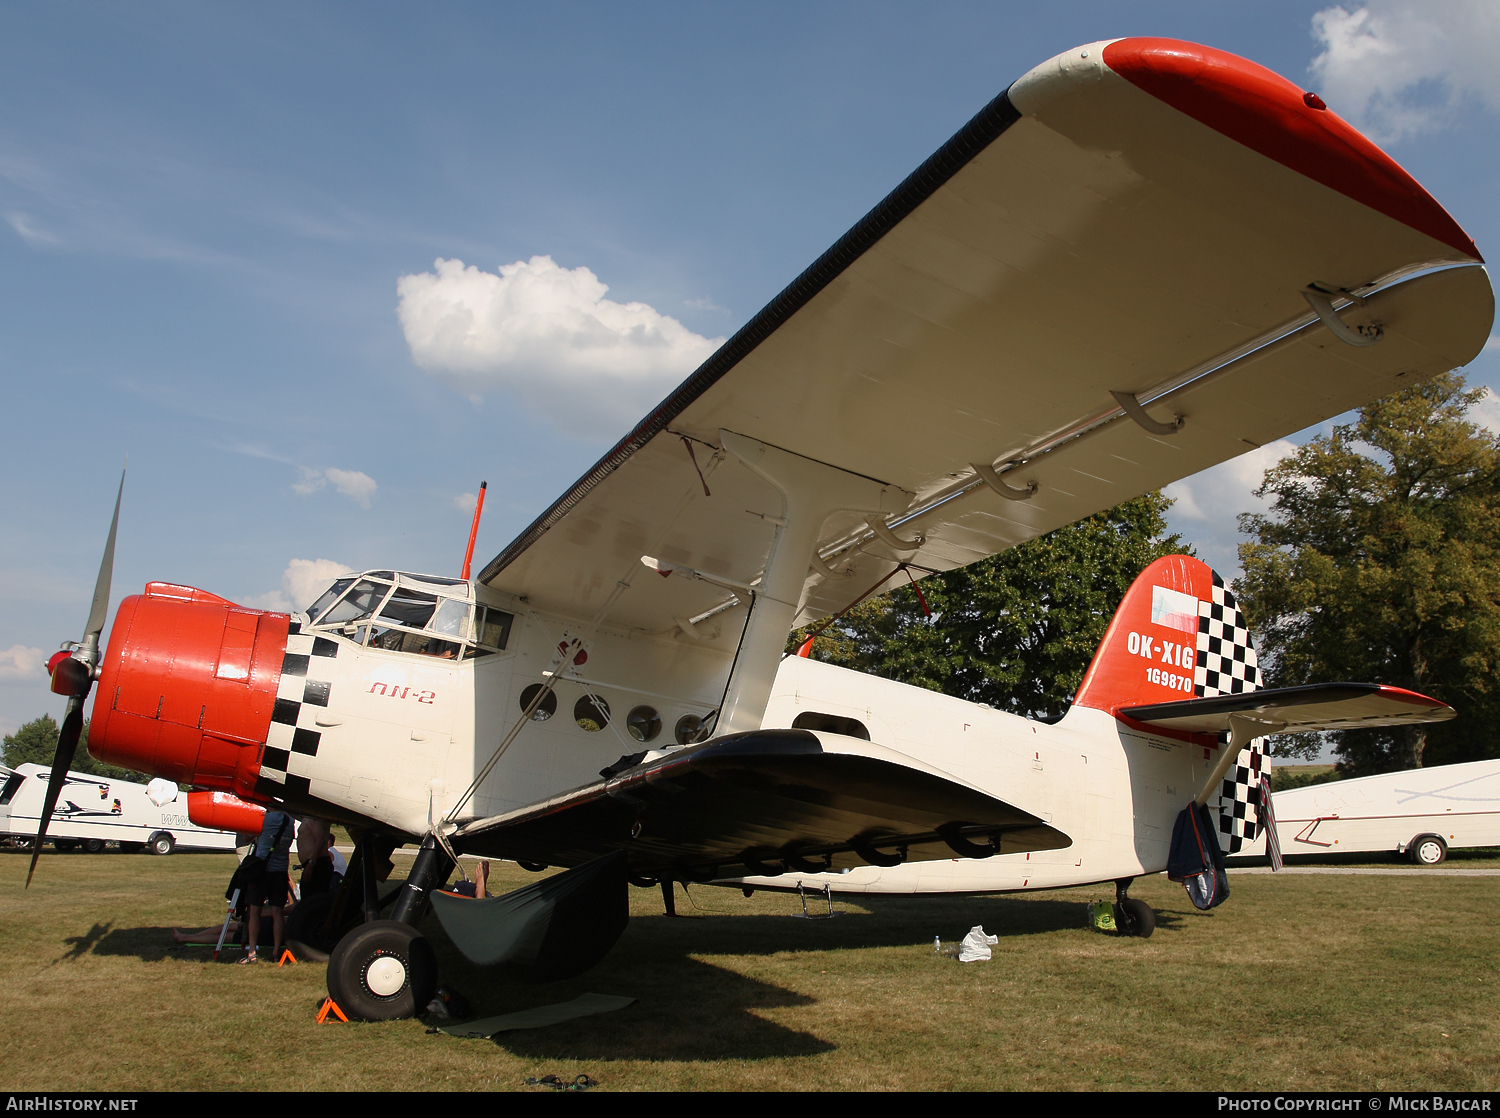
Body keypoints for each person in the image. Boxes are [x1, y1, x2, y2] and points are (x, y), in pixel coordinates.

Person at [240, 809, 293, 964]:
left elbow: (246, 837)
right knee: (278, 912)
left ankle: (252, 952)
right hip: (281, 870)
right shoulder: (289, 820)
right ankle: (276, 951)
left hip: (261, 870)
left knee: (255, 911)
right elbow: (289, 842)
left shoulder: (263, 818)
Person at [294, 817, 344, 899]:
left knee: (311, 900)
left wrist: (311, 864)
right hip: (314, 864)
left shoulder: (314, 818)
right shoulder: (308, 817)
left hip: (317, 864)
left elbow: (320, 840)